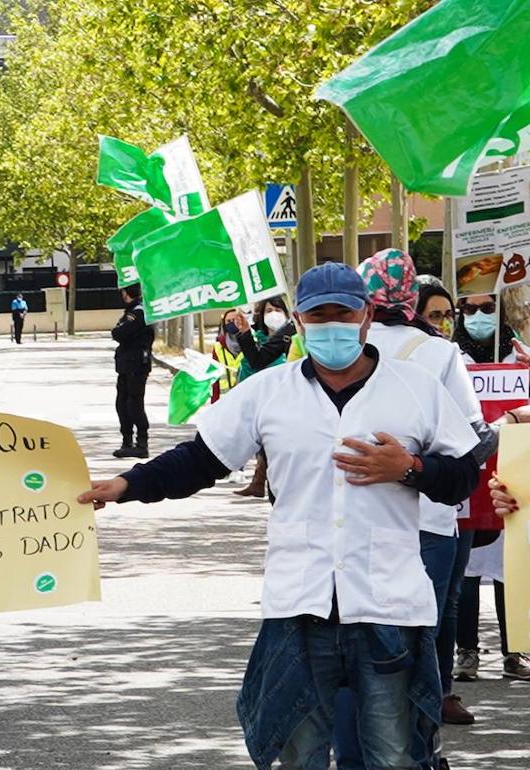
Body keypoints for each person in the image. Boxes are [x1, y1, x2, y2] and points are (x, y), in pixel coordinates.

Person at [81, 263, 481, 770]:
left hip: (388, 608)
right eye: (319, 315)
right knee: (299, 754)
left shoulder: (416, 389)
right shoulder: (269, 391)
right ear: (299, 319)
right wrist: (127, 485)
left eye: (344, 313)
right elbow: (202, 459)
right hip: (301, 605)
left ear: (367, 317)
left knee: (394, 755)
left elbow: (463, 475)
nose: (332, 325)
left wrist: (410, 468)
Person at [345, 250, 497, 763]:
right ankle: (420, 751)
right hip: (430, 522)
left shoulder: (342, 351)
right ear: (412, 298)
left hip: (352, 525)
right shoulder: (439, 354)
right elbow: (473, 444)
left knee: (360, 641)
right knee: (423, 642)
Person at [450, 292, 530, 685]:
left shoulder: (522, 358)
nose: (479, 317)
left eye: (488, 309)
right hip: (469, 474)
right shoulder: (451, 359)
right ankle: (466, 652)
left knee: (510, 566)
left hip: (516, 478)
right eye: (470, 309)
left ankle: (515, 650)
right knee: (466, 568)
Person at [228, 297, 295, 498]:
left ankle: (264, 482)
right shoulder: (268, 336)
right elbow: (257, 360)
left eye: (277, 309)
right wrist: (245, 333)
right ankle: (262, 482)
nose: (273, 314)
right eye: (268, 310)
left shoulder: (292, 331)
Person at [110, 284, 154, 459]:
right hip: (127, 365)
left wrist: (118, 330)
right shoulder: (134, 311)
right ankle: (127, 441)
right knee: (122, 403)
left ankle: (141, 443)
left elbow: (119, 333)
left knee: (134, 404)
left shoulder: (138, 312)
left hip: (136, 365)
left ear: (125, 293)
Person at [210, 309, 244, 403]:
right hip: (226, 401)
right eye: (228, 321)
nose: (232, 324)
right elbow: (215, 380)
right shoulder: (218, 347)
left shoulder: (253, 342)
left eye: (235, 320)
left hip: (247, 399)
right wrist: (214, 404)